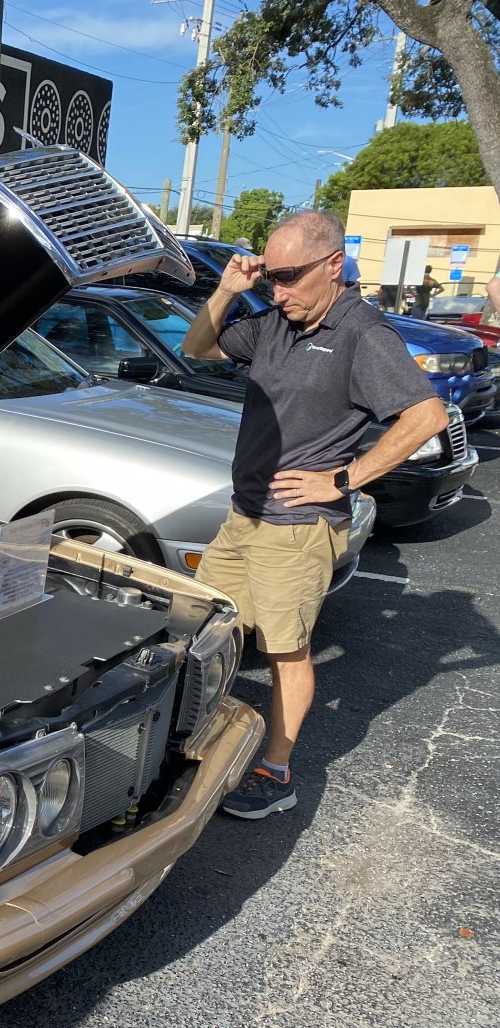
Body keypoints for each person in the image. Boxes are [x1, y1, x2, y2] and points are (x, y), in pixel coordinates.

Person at [181, 210, 448, 819]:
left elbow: (426, 417)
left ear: (333, 265)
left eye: (290, 277)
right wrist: (227, 290)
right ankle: (207, 741)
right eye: (272, 277)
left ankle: (276, 773)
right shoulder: (275, 322)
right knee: (204, 632)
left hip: (297, 529)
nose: (279, 292)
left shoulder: (362, 333)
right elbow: (198, 347)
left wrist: (342, 479)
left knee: (285, 652)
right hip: (244, 516)